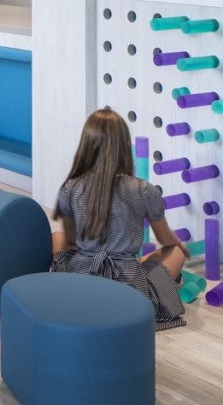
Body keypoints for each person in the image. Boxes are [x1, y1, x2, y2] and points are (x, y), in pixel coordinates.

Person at [52, 108, 190, 331]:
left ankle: (106, 273)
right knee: (175, 253)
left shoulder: (70, 187)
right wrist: (178, 244)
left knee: (56, 237)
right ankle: (128, 266)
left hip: (80, 283)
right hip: (129, 290)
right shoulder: (146, 190)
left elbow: (70, 239)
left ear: (86, 144)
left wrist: (96, 247)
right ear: (126, 144)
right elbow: (166, 240)